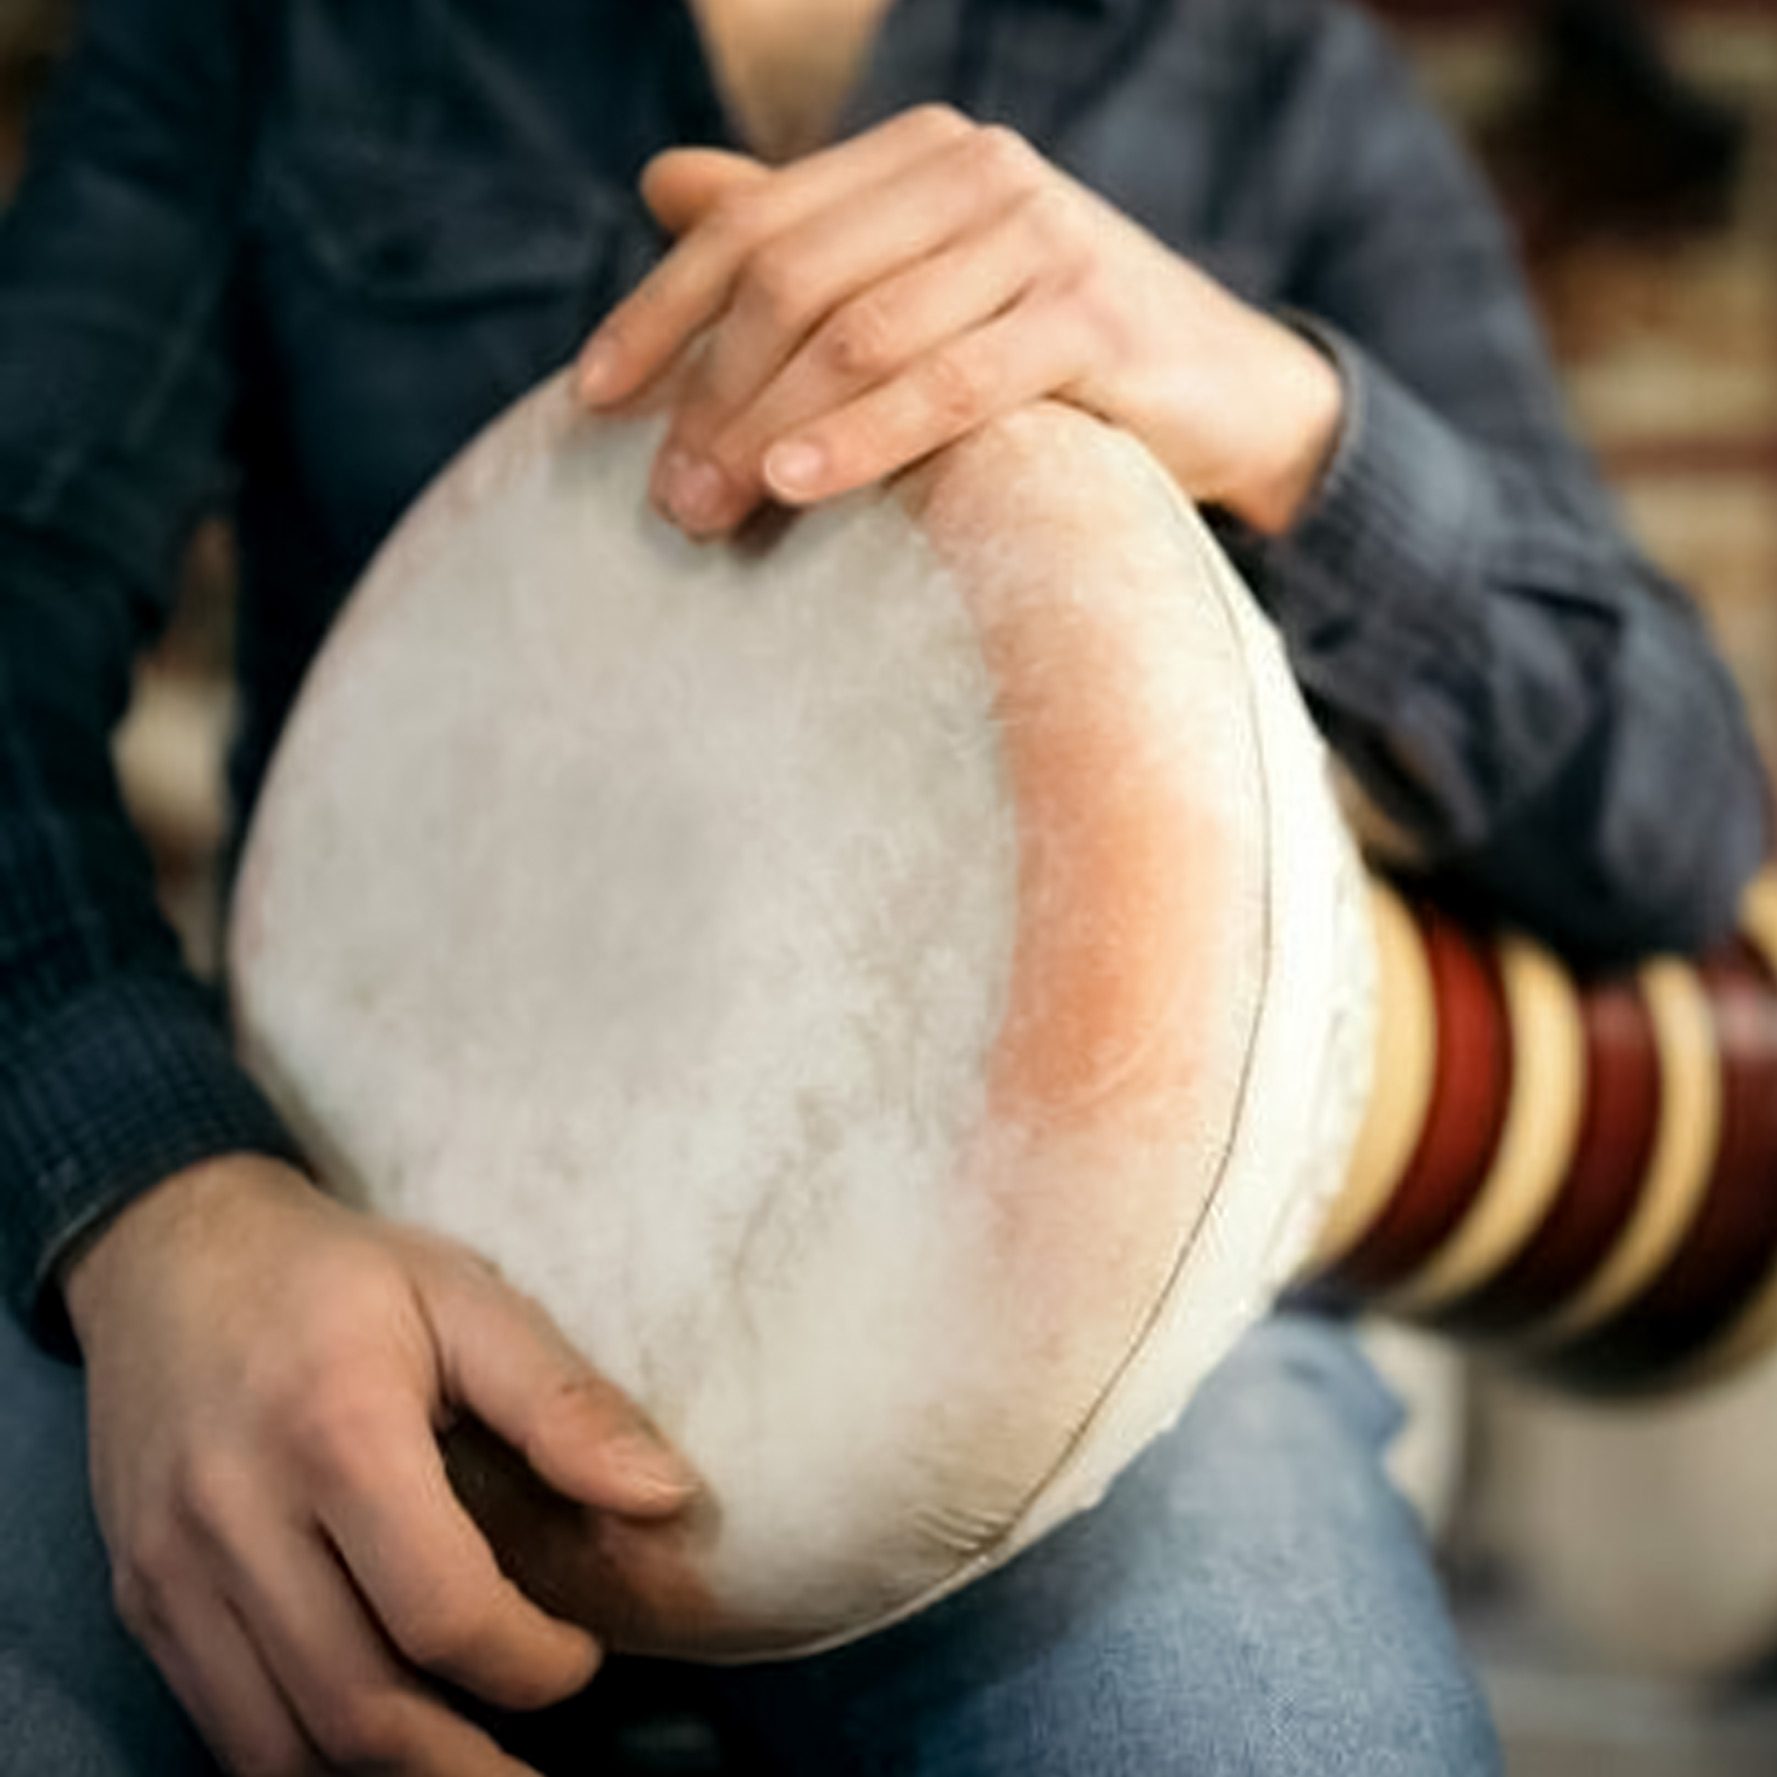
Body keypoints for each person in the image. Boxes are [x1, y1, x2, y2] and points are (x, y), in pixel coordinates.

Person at [0, 0, 1765, 1772]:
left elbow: (1677, 817)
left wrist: (1293, 424)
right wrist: (157, 1202)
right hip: (313, 1265)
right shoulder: (252, 31)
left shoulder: (1258, 57)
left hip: (1120, 1373)